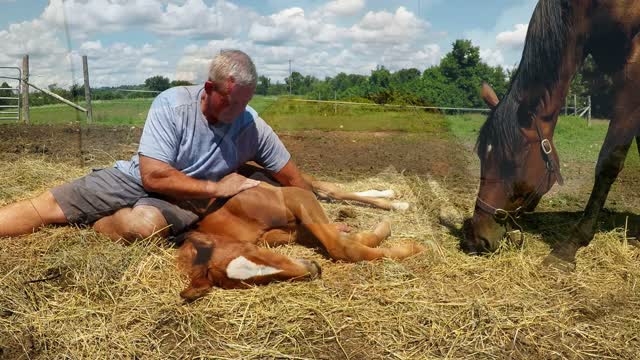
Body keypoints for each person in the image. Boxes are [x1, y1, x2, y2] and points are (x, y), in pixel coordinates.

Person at [0, 50, 311, 241]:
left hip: (182, 199)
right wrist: (217, 189)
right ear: (209, 89)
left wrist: (318, 223)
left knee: (141, 228)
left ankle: (100, 224)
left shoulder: (251, 125)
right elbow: (153, 176)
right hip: (136, 177)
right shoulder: (173, 105)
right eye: (232, 102)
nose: (240, 111)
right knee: (48, 206)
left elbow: (293, 181)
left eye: (247, 102)